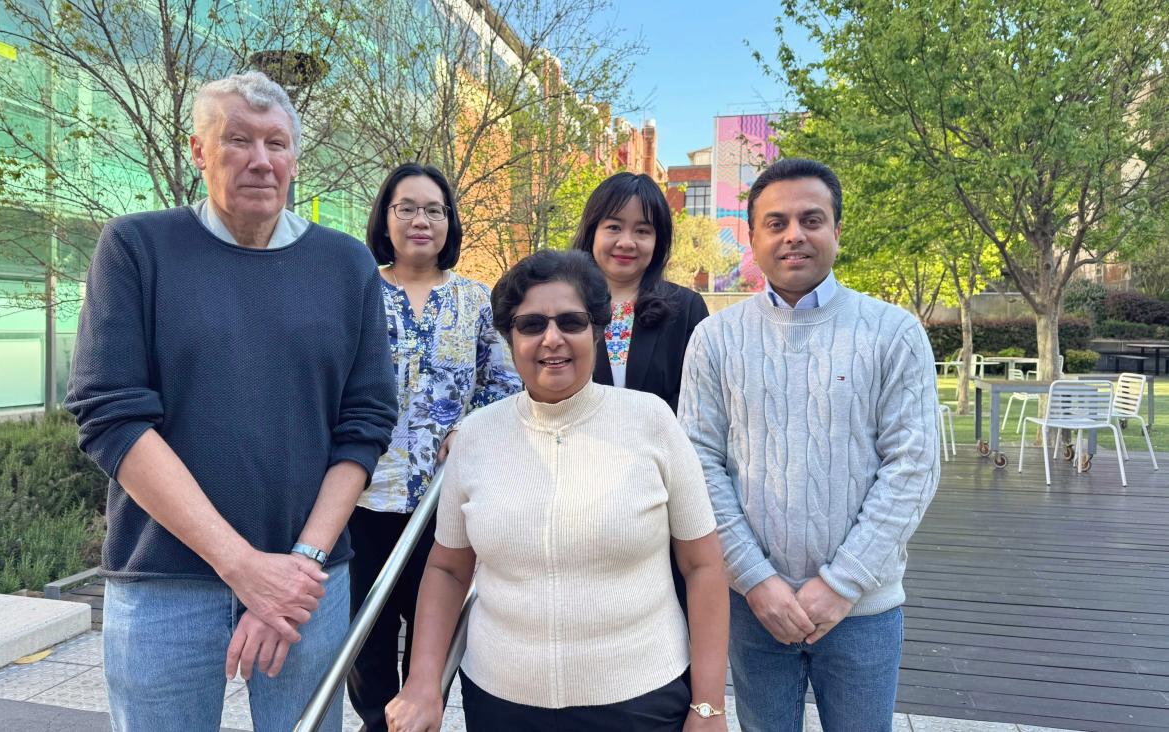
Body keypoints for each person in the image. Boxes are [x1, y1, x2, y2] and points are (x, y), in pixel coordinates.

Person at [64, 71, 397, 732]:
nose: (261, 160)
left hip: (309, 583)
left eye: (277, 143)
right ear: (197, 150)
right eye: (238, 139)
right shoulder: (135, 248)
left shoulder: (346, 265)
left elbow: (364, 425)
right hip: (165, 586)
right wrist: (244, 569)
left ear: (296, 158)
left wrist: (299, 567)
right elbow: (112, 416)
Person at [384, 250, 730, 732]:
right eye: (530, 325)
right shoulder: (477, 435)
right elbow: (446, 568)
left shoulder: (652, 420)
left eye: (571, 321)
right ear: (509, 339)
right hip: (502, 700)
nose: (552, 339)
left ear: (597, 329)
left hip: (641, 699)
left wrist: (709, 705)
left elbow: (704, 565)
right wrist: (422, 680)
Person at [678, 158, 940, 732]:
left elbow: (913, 465)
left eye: (811, 219)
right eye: (775, 222)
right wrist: (756, 580)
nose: (794, 234)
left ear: (836, 232)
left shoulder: (893, 333)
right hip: (753, 608)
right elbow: (697, 463)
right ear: (753, 238)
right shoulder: (715, 339)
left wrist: (840, 584)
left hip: (863, 609)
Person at [347, 163, 521, 732]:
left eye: (435, 210)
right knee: (366, 637)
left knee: (433, 631)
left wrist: (466, 429)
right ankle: (378, 723)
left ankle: (422, 719)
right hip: (364, 497)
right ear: (386, 218)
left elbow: (501, 386)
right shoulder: (357, 292)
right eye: (407, 208)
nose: (421, 220)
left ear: (449, 222)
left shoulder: (475, 300)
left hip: (444, 501)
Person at [572, 172, 709, 413]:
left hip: (661, 446)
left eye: (642, 231)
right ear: (592, 232)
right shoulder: (563, 306)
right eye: (614, 227)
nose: (627, 242)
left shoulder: (687, 309)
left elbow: (698, 400)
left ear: (658, 240)